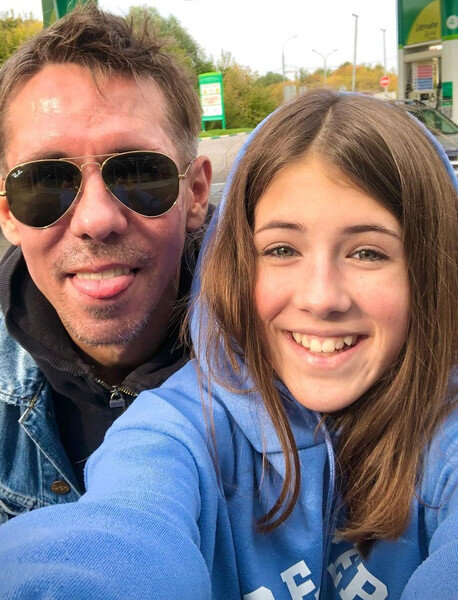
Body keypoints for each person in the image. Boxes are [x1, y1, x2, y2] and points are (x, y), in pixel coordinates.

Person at [0, 90, 456, 600]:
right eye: (281, 249)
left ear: (432, 270)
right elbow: (125, 524)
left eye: (368, 253)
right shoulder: (179, 427)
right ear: (238, 266)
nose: (321, 297)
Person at [0, 4, 211, 522]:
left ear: (196, 193)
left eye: (138, 172)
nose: (96, 220)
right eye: (45, 181)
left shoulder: (291, 362)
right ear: (8, 214)